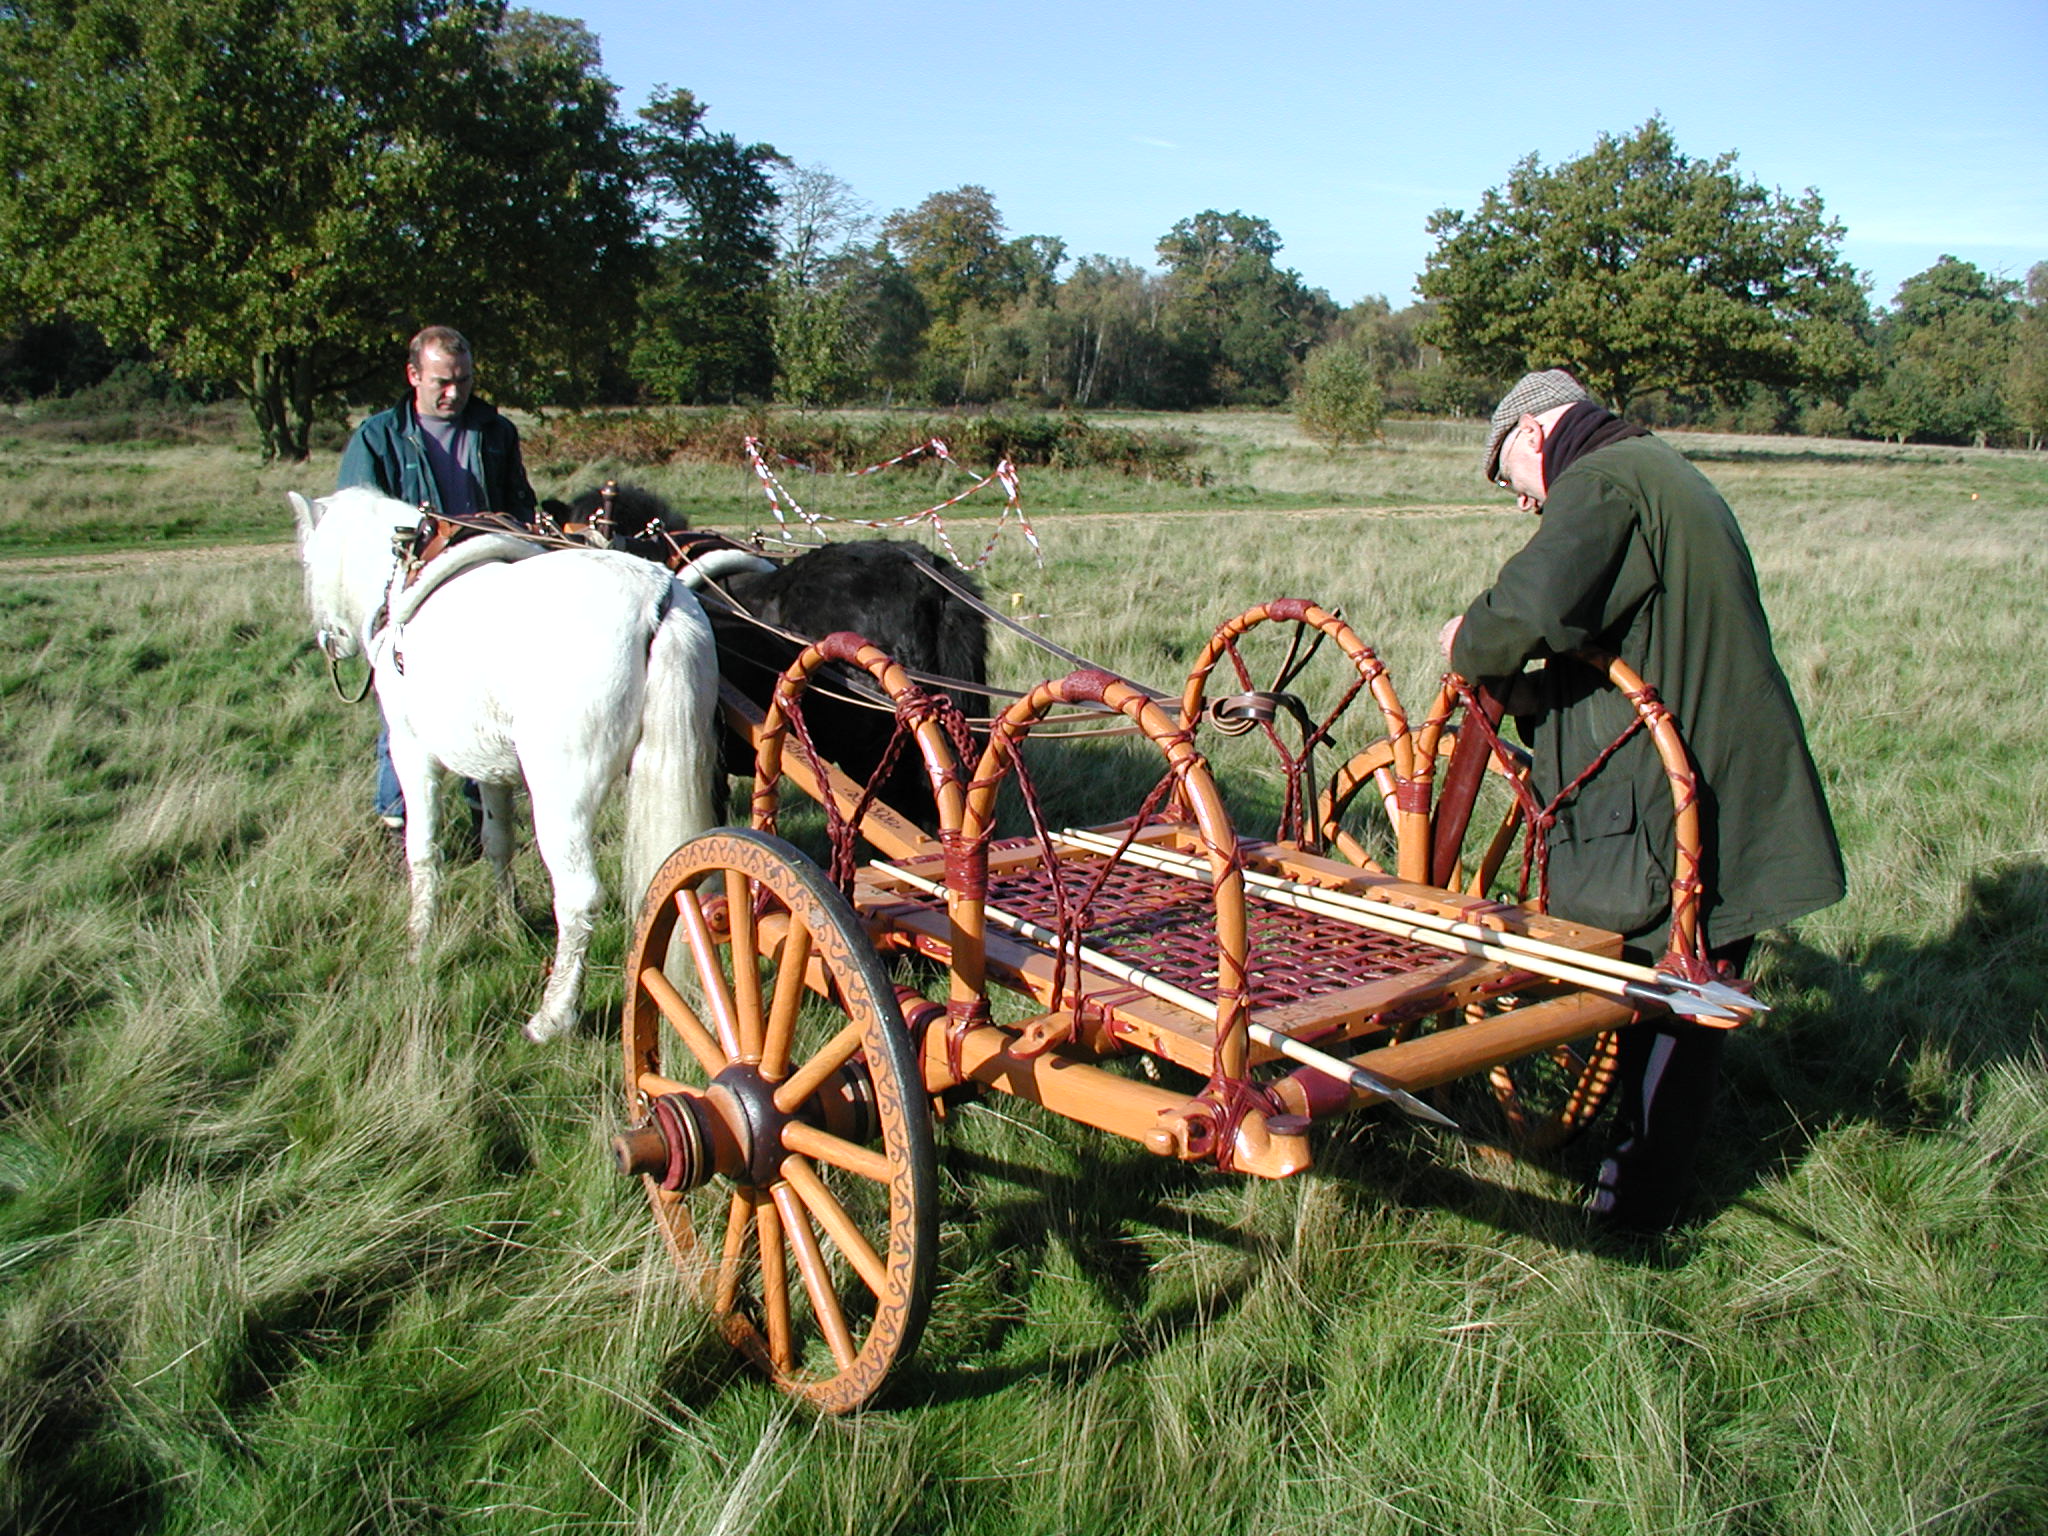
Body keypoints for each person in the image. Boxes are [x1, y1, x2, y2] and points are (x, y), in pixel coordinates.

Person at [1439, 368, 1844, 1232]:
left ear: (1537, 435)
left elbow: (1529, 608)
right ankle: (1635, 1180)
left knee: (1671, 987)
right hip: (1712, 759)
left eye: (1512, 480)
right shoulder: (1657, 469)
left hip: (1685, 780)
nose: (1521, 506)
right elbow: (1620, 652)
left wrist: (1465, 640)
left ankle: (1634, 1215)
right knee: (1685, 980)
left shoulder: (1604, 483)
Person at [338, 325, 538, 829]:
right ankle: (396, 822)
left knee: (490, 705)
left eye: (464, 381)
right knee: (402, 714)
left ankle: (485, 819)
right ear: (413, 376)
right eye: (441, 382)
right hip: (415, 592)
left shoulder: (497, 432)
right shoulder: (377, 437)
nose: (454, 393)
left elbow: (520, 503)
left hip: (487, 582)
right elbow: (356, 521)